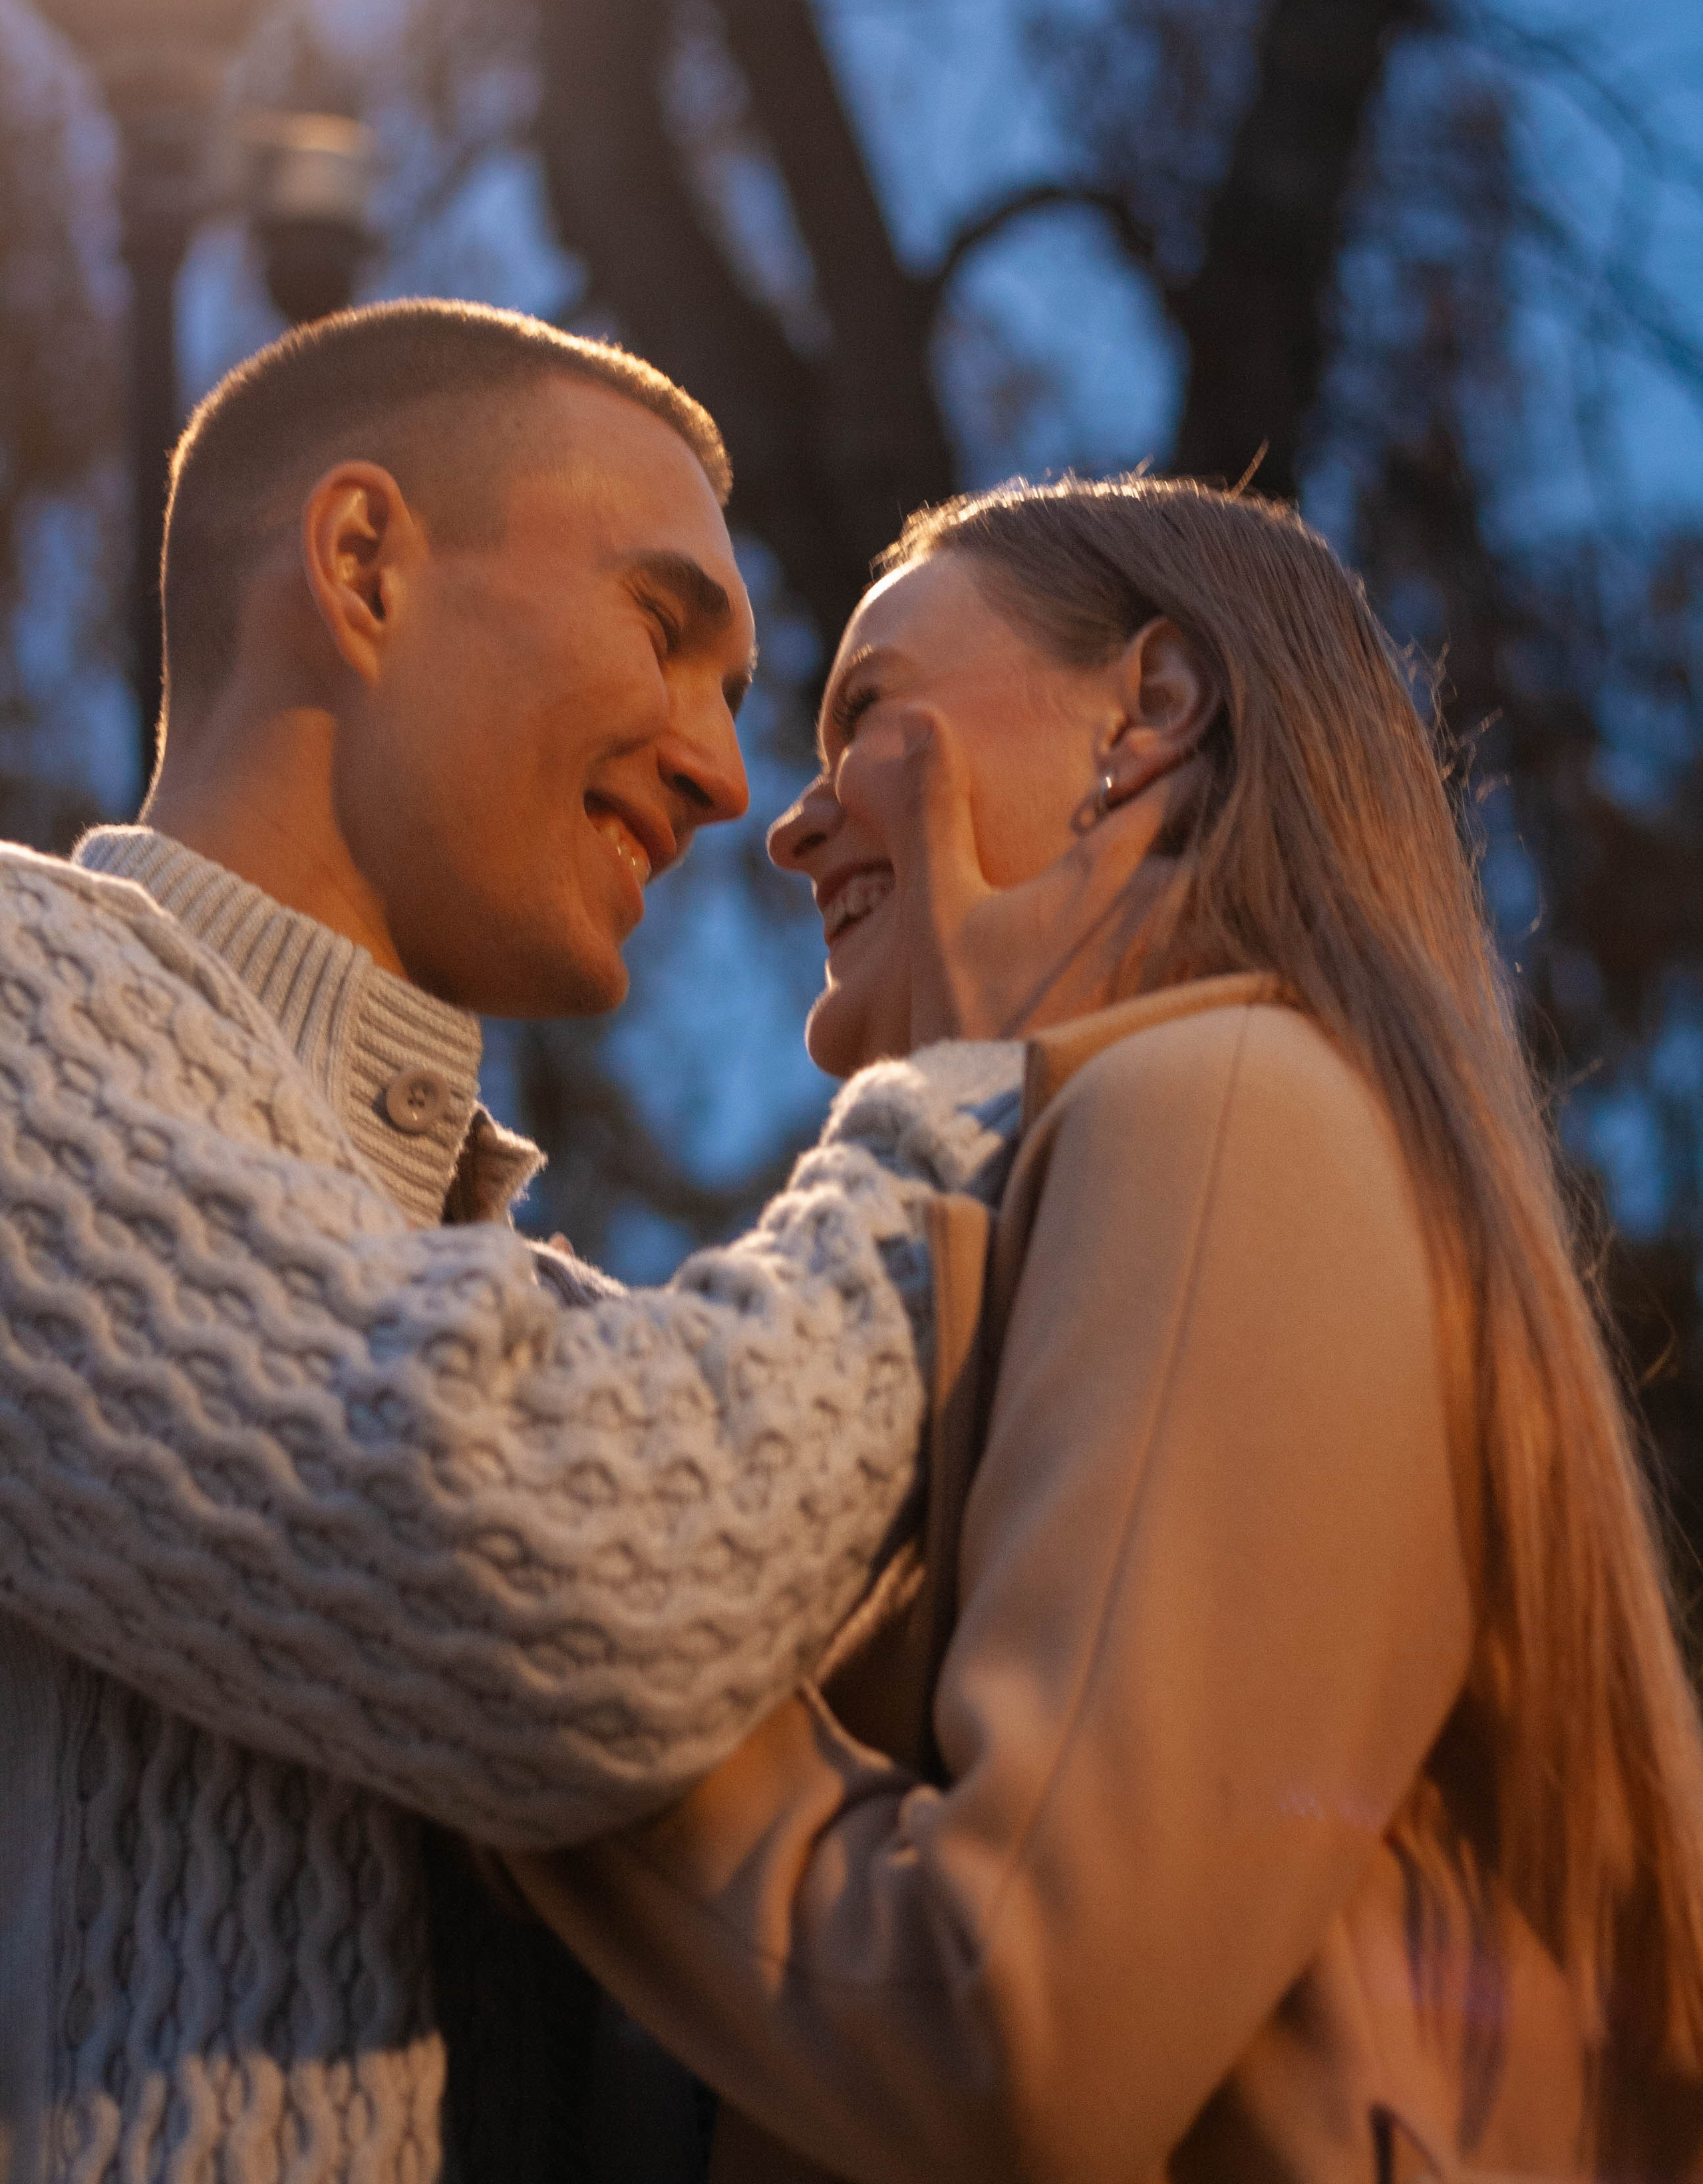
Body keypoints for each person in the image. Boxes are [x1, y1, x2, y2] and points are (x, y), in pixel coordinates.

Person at [511, 475, 1703, 2182]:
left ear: (1150, 711)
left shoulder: (1217, 1112)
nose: (786, 820)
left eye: (866, 711)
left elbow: (1013, 2040)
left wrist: (533, 1657)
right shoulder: (1198, 1149)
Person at [0, 300, 1068, 2184]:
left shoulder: (548, 1319)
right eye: (667, 632)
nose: (727, 781)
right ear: (360, 566)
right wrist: (976, 1097)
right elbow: (578, 1581)